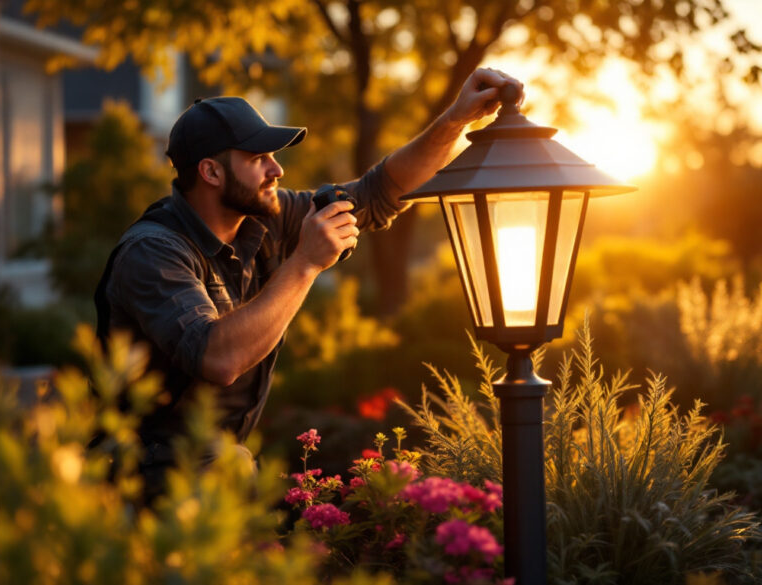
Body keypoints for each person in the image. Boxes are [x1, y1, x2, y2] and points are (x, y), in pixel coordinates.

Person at [95, 68, 522, 499]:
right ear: (211, 172)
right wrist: (305, 264)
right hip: (151, 484)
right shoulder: (153, 252)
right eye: (258, 158)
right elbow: (217, 358)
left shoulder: (264, 220)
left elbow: (378, 193)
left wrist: (456, 120)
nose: (276, 169)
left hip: (220, 465)